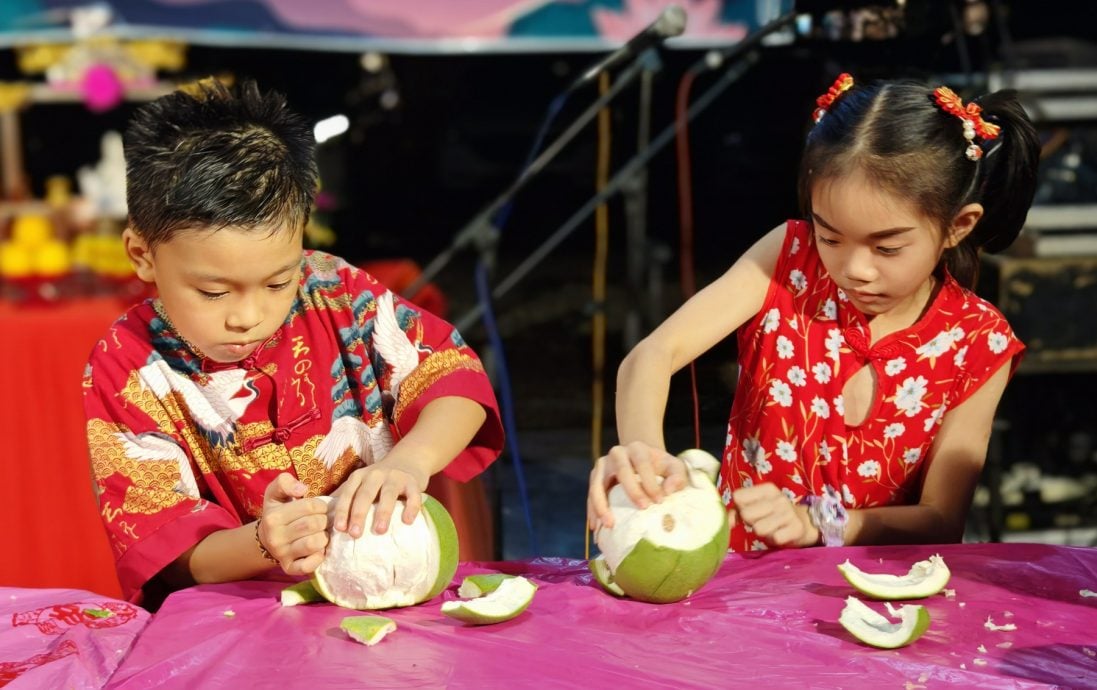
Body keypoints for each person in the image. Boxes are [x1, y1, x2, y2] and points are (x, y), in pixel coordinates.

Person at [83, 79, 504, 605]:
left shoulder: (336, 291)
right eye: (213, 292)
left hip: (392, 591)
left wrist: (409, 461)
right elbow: (167, 550)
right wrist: (265, 541)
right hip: (240, 618)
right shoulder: (128, 365)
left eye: (278, 282)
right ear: (142, 254)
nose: (249, 316)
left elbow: (455, 383)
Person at [588, 74, 1040, 552]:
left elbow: (941, 519)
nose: (854, 269)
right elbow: (653, 354)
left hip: (876, 596)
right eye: (830, 237)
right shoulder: (789, 258)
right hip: (735, 584)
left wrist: (820, 524)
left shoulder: (978, 340)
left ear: (958, 226)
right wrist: (645, 457)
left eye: (887, 247)